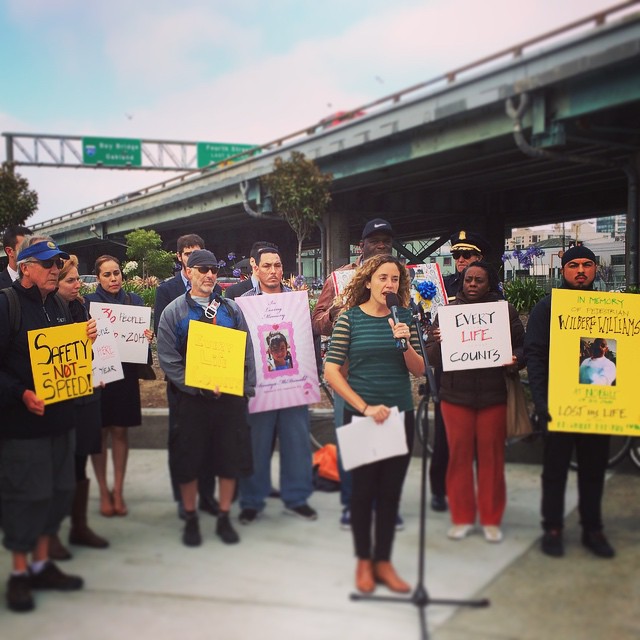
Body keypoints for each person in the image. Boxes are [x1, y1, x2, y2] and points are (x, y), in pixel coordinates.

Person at [0, 236, 96, 613]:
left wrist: (84, 340)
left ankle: (41, 565)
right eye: (48, 263)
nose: (56, 269)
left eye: (58, 263)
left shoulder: (59, 304)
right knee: (26, 498)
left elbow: (69, 357)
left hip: (61, 420)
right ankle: (20, 574)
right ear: (25, 267)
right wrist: (20, 394)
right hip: (22, 428)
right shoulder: (6, 305)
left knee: (57, 493)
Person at [324, 254, 424, 594]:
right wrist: (364, 407)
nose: (389, 285)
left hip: (400, 416)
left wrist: (406, 342)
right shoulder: (349, 319)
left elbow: (419, 369)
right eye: (382, 278)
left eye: (395, 279)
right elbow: (331, 371)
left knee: (390, 495)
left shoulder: (405, 317)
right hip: (363, 416)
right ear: (368, 281)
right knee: (364, 494)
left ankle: (384, 562)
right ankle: (364, 562)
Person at [157, 250, 255, 547]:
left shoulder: (232, 310)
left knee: (228, 459)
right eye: (202, 269)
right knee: (188, 460)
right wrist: (197, 385)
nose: (209, 275)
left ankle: (224, 516)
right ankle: (190, 517)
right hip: (192, 401)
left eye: (213, 269)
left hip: (228, 399)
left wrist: (245, 388)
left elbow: (246, 352)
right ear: (188, 272)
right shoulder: (174, 312)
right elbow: (168, 358)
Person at [525, 245, 615, 558]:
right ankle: (552, 528)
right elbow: (534, 355)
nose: (580, 271)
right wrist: (541, 402)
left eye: (587, 265)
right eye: (573, 265)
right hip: (558, 405)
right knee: (554, 471)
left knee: (594, 470)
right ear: (562, 270)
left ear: (595, 269)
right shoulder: (547, 307)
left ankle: (593, 528)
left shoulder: (610, 308)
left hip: (598, 406)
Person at [426, 261, 524, 544]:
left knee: (492, 459)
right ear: (462, 281)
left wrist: (517, 360)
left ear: (489, 283)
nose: (472, 284)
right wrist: (440, 341)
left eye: (478, 280)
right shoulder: (445, 315)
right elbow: (432, 358)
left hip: (493, 397)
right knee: (458, 458)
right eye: (468, 279)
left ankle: (492, 518)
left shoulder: (504, 312)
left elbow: (522, 346)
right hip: (455, 399)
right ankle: (462, 517)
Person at [311, 218, 398, 530]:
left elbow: (417, 318)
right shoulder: (340, 278)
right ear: (361, 245)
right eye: (375, 239)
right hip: (349, 372)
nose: (382, 244)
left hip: (388, 371)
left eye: (386, 239)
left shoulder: (400, 279)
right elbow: (317, 319)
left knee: (387, 442)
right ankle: (353, 504)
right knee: (353, 439)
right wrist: (333, 315)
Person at [238, 245, 317, 524]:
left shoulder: (296, 300)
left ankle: (296, 498)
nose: (273, 271)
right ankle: (251, 501)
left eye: (278, 265)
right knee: (256, 444)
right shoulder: (242, 303)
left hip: (294, 384)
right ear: (255, 268)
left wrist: (310, 375)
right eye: (267, 266)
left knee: (297, 443)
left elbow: (307, 339)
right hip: (259, 387)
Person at [153, 234, 220, 521]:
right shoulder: (167, 291)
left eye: (200, 255)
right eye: (189, 254)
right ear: (181, 258)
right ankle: (184, 498)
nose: (197, 262)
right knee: (182, 442)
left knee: (208, 441)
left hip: (211, 379)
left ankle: (206, 495)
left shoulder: (217, 296)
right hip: (181, 382)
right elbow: (164, 335)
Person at [47, 256, 109, 561]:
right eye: (70, 280)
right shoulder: (47, 311)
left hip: (87, 396)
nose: (77, 285)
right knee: (61, 467)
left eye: (77, 280)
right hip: (63, 400)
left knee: (81, 460)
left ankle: (79, 526)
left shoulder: (81, 308)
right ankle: (51, 534)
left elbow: (91, 352)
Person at [84, 255, 154, 518]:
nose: (113, 279)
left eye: (117, 273)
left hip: (125, 375)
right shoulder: (88, 304)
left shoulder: (134, 301)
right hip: (99, 375)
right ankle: (103, 490)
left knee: (121, 432)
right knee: (100, 433)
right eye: (107, 275)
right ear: (98, 278)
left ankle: (119, 490)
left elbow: (139, 341)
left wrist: (146, 337)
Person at [429, 230, 491, 513]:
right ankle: (439, 491)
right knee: (444, 438)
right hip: (451, 376)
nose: (461, 260)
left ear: (479, 257)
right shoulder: (440, 289)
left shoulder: (495, 293)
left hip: (484, 378)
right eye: (456, 255)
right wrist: (435, 336)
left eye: (467, 255)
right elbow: (429, 337)